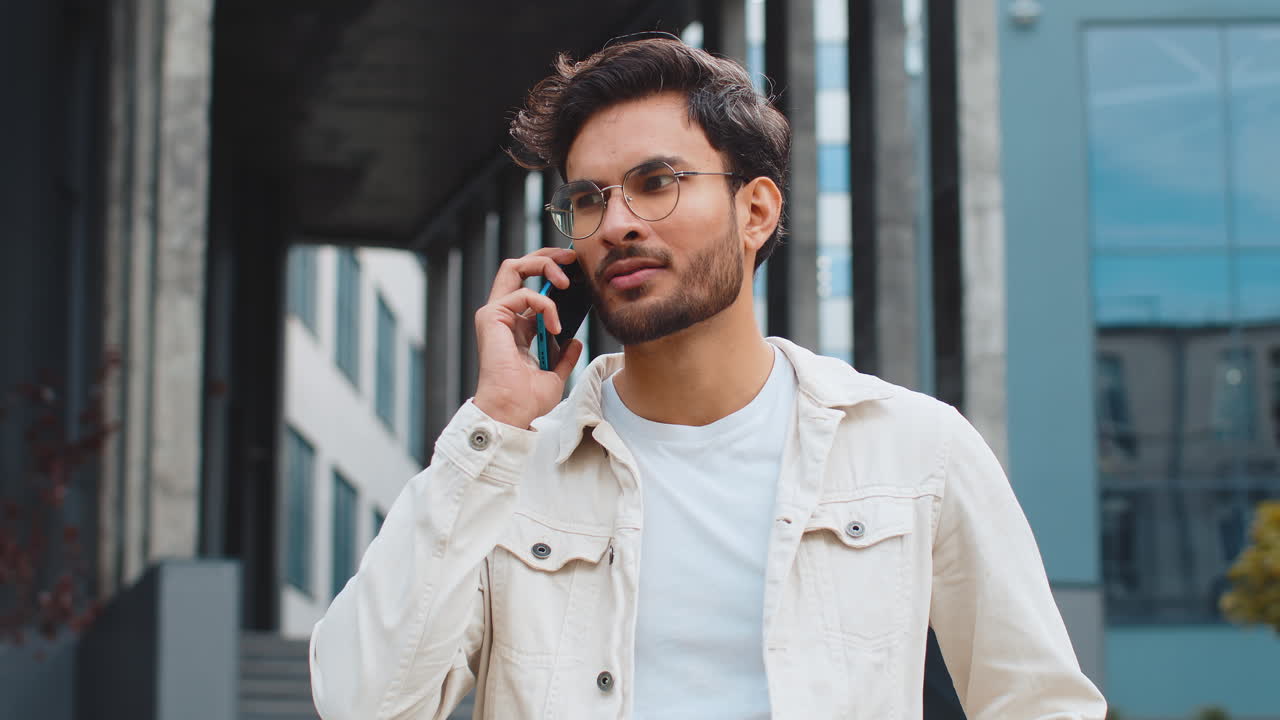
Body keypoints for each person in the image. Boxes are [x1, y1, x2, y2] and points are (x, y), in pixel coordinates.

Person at [309, 36, 1107, 719]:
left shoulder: (912, 449)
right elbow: (363, 703)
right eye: (588, 200)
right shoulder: (510, 468)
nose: (616, 223)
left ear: (756, 212)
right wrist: (497, 419)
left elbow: (1040, 702)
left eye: (657, 183)